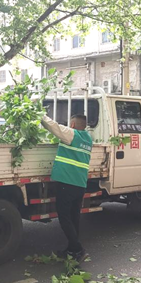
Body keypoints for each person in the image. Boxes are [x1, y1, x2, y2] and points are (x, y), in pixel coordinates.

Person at [41, 113, 92, 263]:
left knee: (64, 217)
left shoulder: (71, 134)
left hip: (67, 183)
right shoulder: (88, 139)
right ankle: (71, 250)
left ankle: (78, 249)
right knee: (74, 217)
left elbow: (54, 127)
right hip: (80, 184)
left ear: (73, 125)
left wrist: (40, 115)